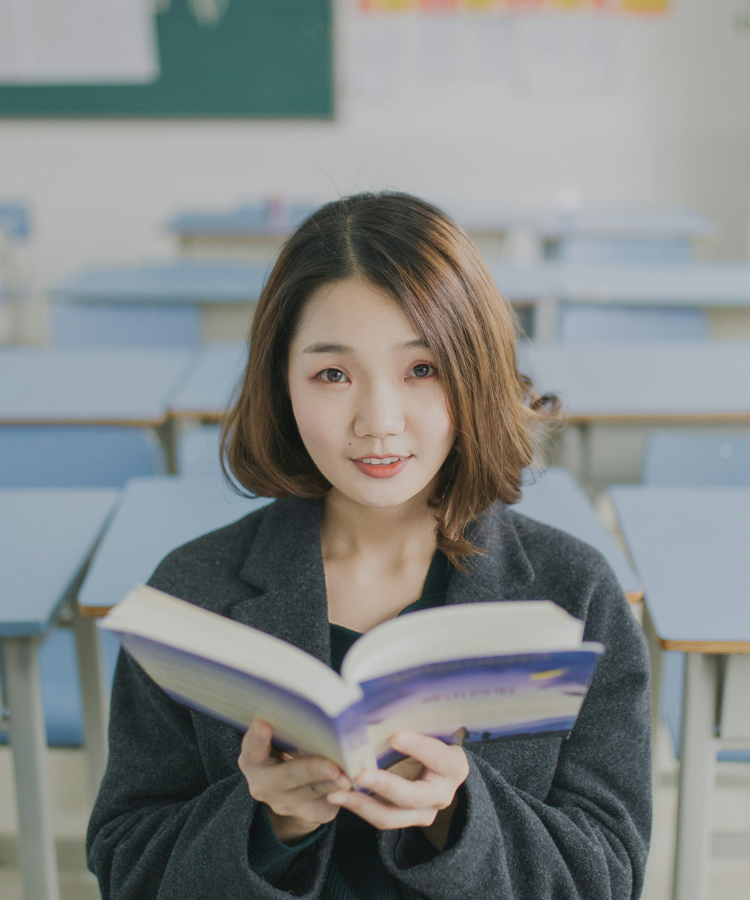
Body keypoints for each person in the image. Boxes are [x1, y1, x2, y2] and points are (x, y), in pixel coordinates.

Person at [87, 192, 651, 899]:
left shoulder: (574, 594)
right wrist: (269, 824)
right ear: (283, 385)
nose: (379, 422)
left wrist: (458, 816)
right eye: (332, 374)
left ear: (474, 373)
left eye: (423, 369)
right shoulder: (194, 592)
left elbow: (607, 876)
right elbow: (127, 866)